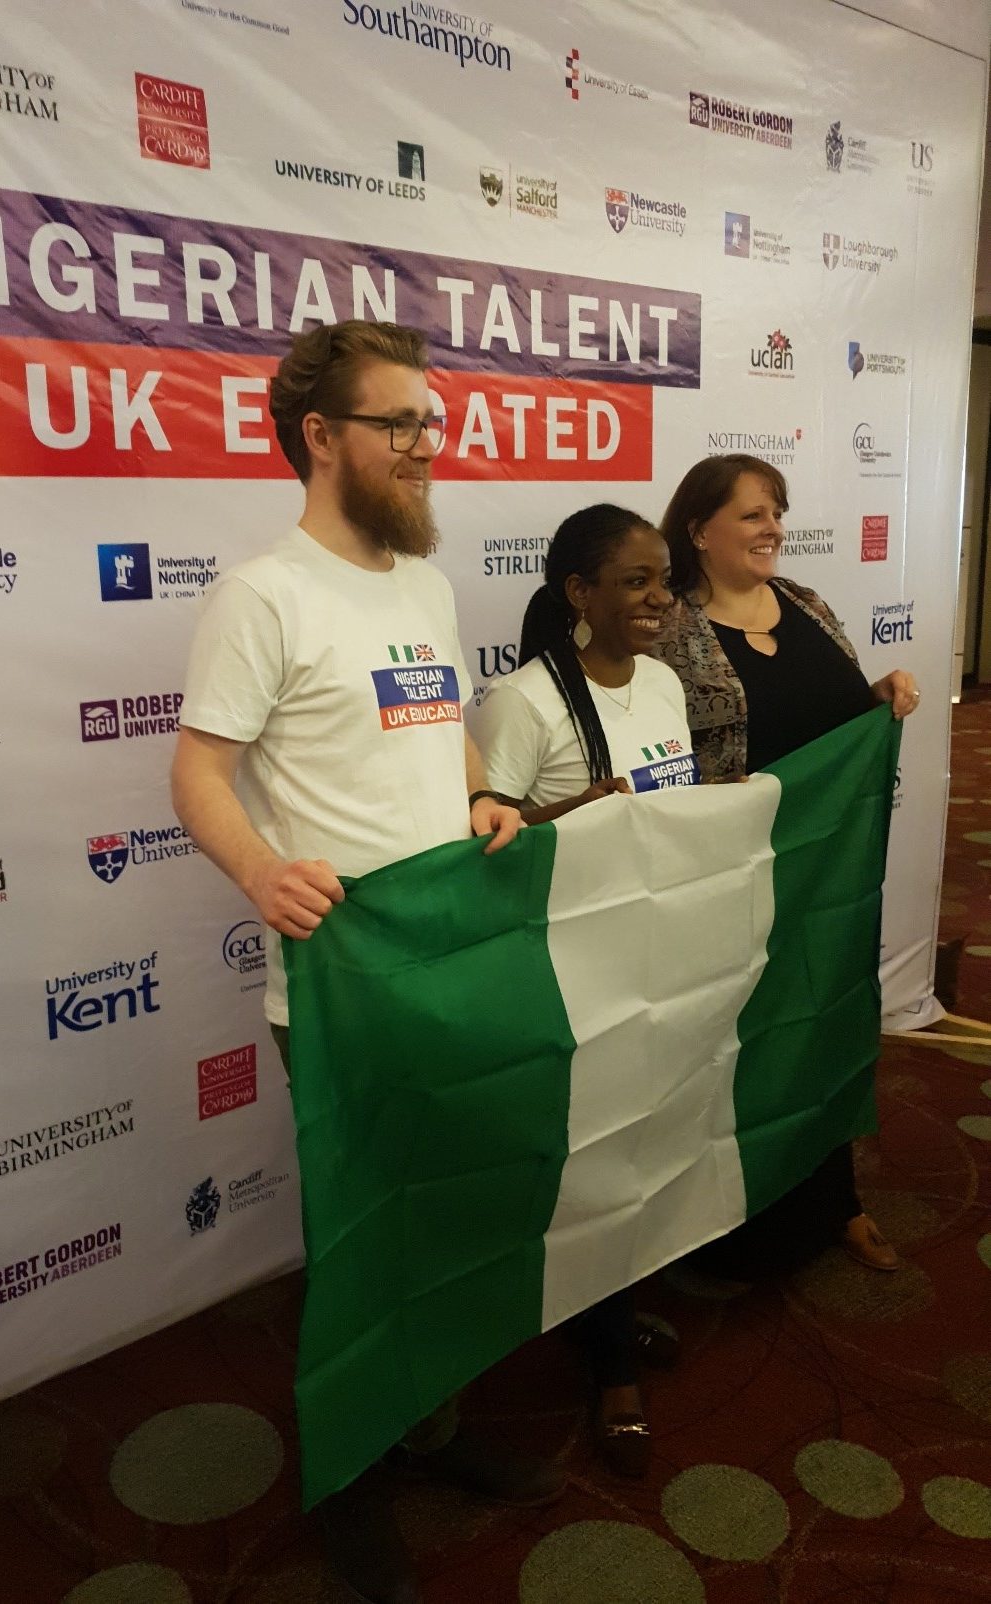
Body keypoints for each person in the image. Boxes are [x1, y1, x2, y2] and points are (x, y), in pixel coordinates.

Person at [170, 319, 564, 1604]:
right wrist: (257, 870)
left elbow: (445, 734)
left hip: (448, 956)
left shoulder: (424, 585)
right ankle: (348, 1476)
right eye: (401, 424)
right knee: (363, 1234)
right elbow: (198, 771)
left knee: (443, 1207)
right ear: (322, 437)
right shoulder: (263, 595)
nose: (426, 447)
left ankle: (429, 1430)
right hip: (341, 982)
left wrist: (484, 793)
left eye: (431, 423)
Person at [652, 452, 920, 1277]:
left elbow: (833, 719)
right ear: (698, 530)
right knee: (738, 1047)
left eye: (777, 511)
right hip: (729, 881)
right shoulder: (666, 629)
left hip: (824, 877)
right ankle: (727, 1226)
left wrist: (878, 697)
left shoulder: (807, 605)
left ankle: (836, 1200)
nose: (773, 528)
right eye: (752, 514)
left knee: (824, 1028)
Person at [470, 503, 694, 1479]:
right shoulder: (524, 702)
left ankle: (602, 1303)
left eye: (664, 580)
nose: (658, 598)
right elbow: (482, 843)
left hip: (661, 953)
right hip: (572, 972)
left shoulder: (663, 683)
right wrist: (575, 811)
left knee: (644, 1143)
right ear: (578, 592)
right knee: (593, 1157)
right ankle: (609, 1366)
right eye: (636, 580)